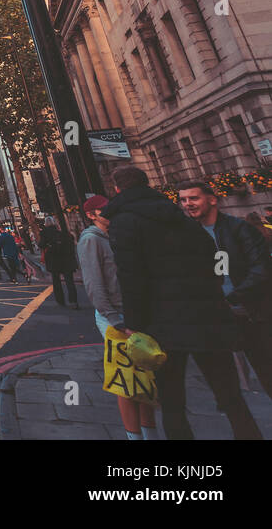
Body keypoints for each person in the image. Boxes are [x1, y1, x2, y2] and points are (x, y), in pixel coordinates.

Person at [105, 165, 262, 440]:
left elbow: (131, 277)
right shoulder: (176, 214)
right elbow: (208, 254)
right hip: (207, 317)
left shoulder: (124, 221)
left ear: (117, 189)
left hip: (163, 324)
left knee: (172, 402)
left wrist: (134, 324)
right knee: (230, 396)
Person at [179, 181, 272, 397]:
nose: (187, 204)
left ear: (212, 200)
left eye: (193, 198)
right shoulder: (189, 235)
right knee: (229, 388)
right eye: (183, 200)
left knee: (267, 372)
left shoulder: (239, 228)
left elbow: (261, 270)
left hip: (253, 313)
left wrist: (231, 298)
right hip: (218, 318)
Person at [78, 195, 159, 440]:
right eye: (105, 210)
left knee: (145, 379)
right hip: (114, 317)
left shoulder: (116, 235)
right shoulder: (91, 239)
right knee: (126, 382)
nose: (111, 213)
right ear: (92, 214)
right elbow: (94, 284)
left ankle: (150, 434)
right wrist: (115, 320)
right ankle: (134, 437)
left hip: (134, 312)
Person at [39, 219, 79, 308]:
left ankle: (60, 301)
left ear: (46, 224)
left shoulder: (44, 233)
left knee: (56, 281)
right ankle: (73, 301)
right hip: (66, 259)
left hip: (54, 260)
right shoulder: (63, 232)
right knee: (69, 281)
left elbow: (41, 244)